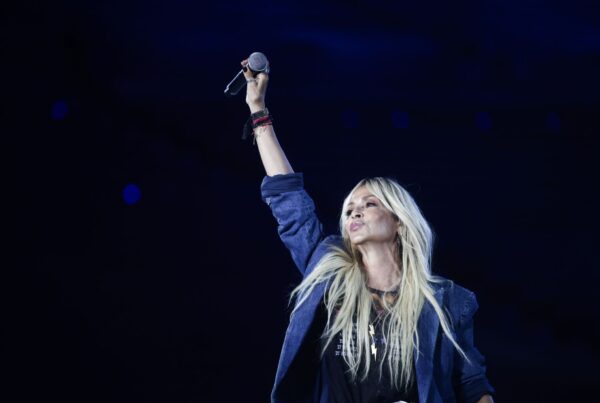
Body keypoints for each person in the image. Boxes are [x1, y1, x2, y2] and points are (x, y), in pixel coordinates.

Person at [240, 58, 495, 403]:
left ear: (399, 221)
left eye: (369, 204)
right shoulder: (328, 275)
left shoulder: (445, 302)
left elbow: (473, 384)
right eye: (349, 209)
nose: (355, 211)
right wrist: (258, 111)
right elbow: (289, 199)